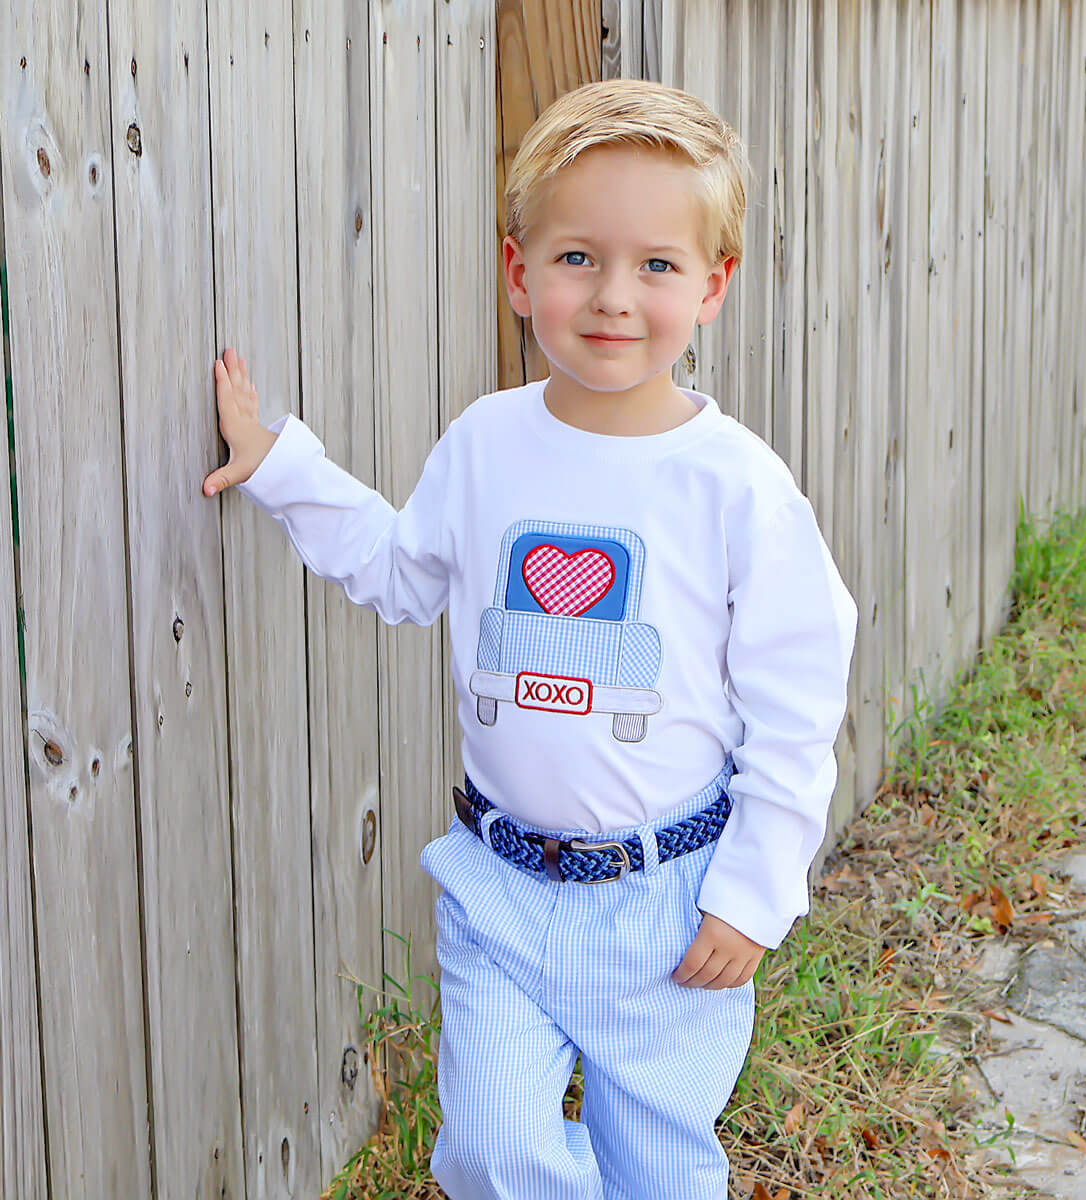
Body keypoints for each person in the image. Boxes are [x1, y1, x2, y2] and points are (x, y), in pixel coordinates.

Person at [203, 79, 857, 1200]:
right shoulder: (488, 440)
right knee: (494, 1152)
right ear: (520, 272)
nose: (612, 297)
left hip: (668, 898)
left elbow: (799, 695)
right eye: (576, 259)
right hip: (499, 885)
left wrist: (753, 890)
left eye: (657, 265)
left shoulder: (734, 482)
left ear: (713, 287)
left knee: (655, 1166)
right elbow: (406, 572)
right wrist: (282, 469)